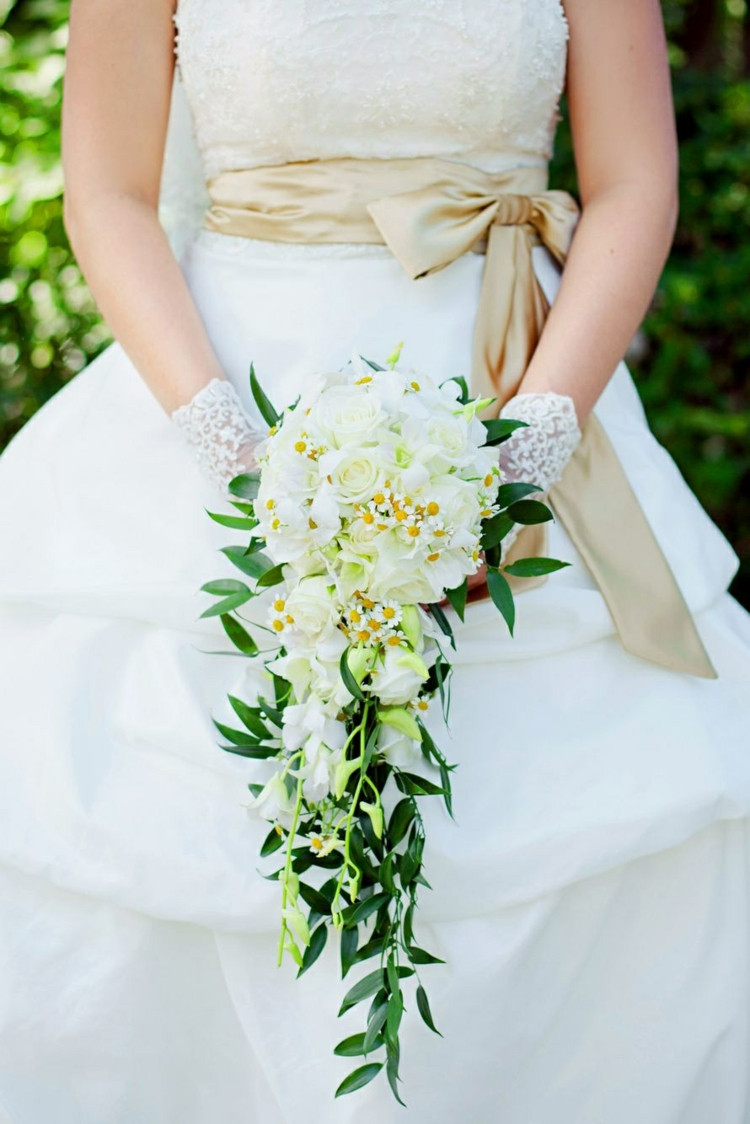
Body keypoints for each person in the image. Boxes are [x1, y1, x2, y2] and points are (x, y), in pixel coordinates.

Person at [0, 1, 748, 1121]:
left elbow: (635, 182)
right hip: (224, 389)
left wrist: (527, 448)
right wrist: (237, 457)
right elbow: (106, 192)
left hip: (510, 377)